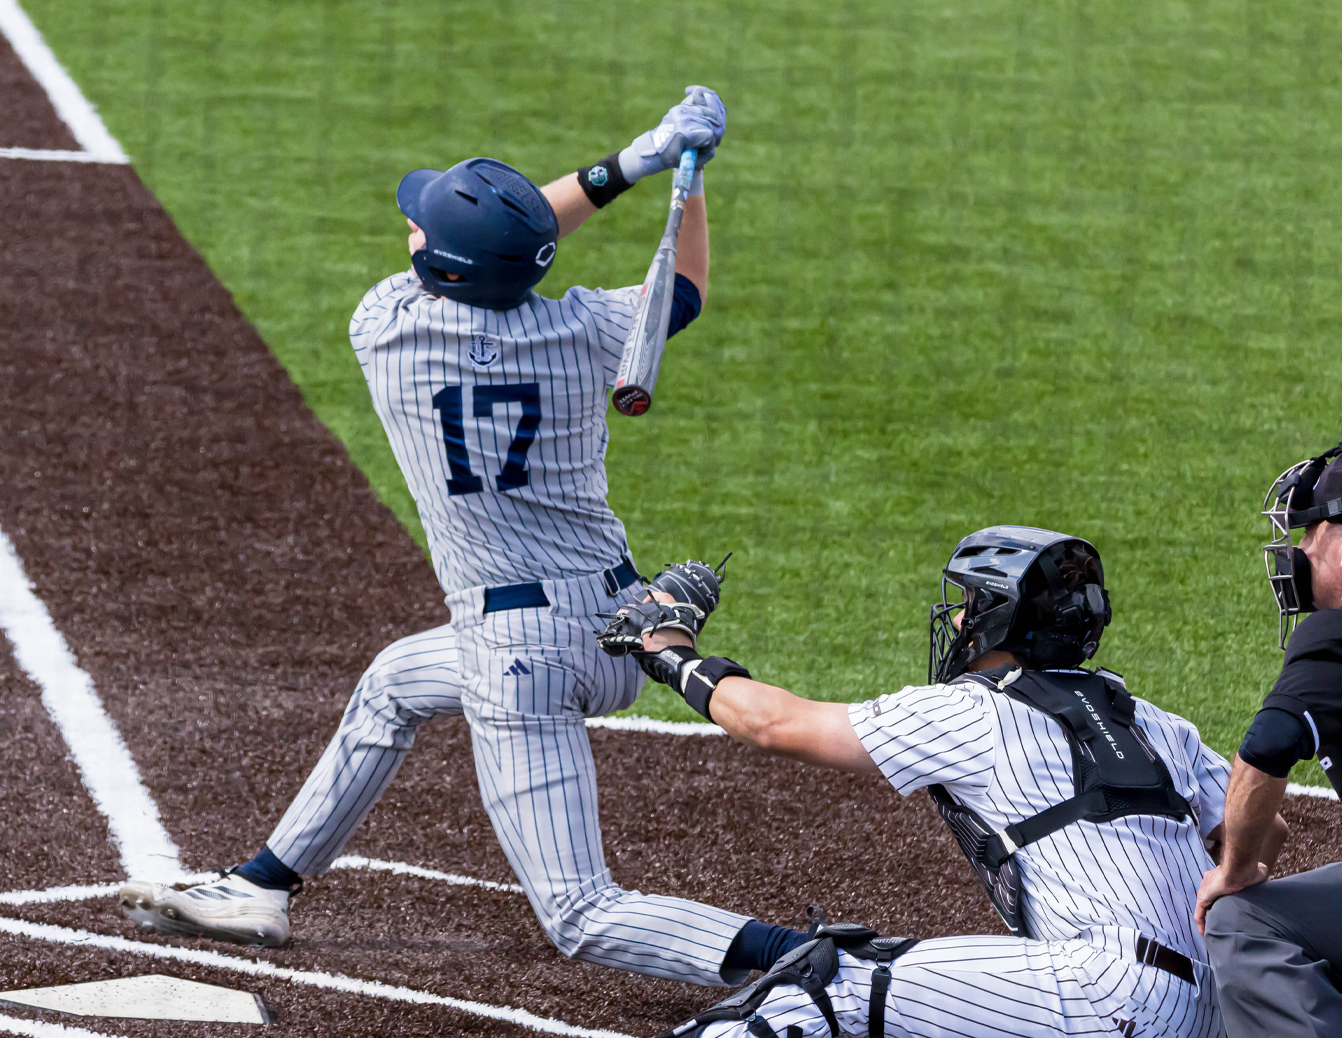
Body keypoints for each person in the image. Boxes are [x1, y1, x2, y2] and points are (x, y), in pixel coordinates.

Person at [118, 86, 773, 989]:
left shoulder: (387, 326)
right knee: (393, 683)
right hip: (629, 627)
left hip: (520, 659)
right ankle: (262, 885)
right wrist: (682, 177)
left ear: (445, 267)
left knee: (581, 915)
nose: (412, 229)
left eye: (422, 227)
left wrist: (630, 160)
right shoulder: (585, 331)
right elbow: (683, 291)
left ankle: (810, 960)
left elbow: (514, 237)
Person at [608, 526, 1226, 1037]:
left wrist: (670, 652)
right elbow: (1260, 828)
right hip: (1214, 1010)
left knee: (829, 980)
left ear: (995, 619)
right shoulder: (1155, 721)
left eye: (967, 604)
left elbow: (773, 723)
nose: (955, 619)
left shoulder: (975, 712)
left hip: (1108, 992)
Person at [1196, 441, 1340, 1038]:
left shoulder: (1332, 636)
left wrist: (1233, 869)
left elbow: (1268, 746)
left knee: (1242, 921)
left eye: (1311, 532)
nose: (1299, 551)